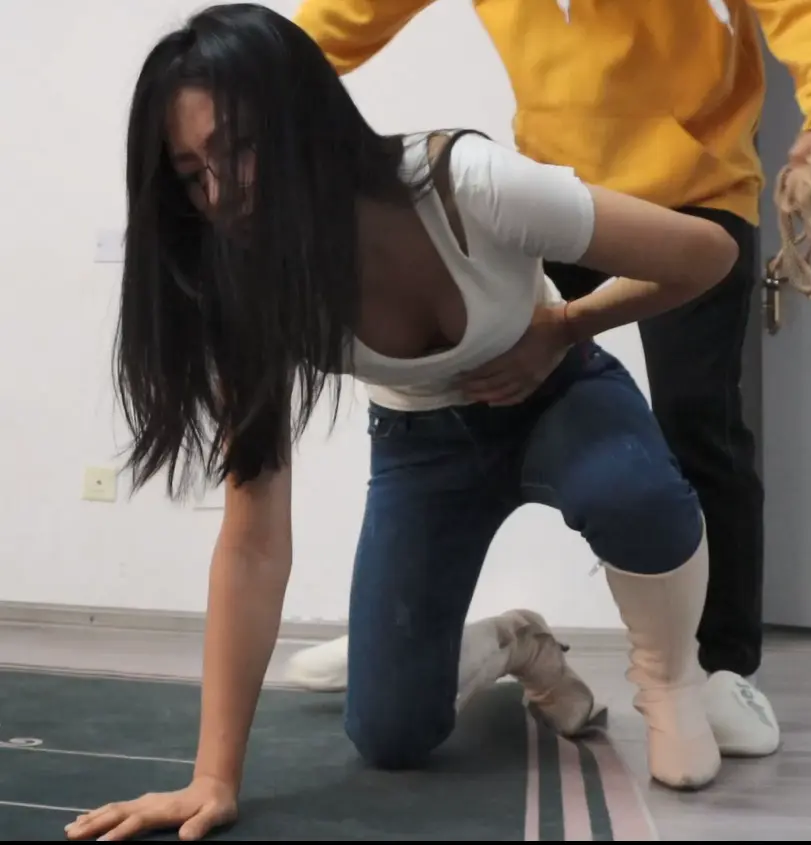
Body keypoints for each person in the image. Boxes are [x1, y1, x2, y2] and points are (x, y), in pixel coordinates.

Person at [65, 4, 742, 841]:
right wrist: (213, 776)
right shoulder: (244, 284)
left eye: (239, 148)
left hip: (558, 392)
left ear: (306, 119)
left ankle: (669, 679)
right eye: (191, 173)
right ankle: (516, 643)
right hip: (421, 445)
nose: (222, 192)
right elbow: (252, 537)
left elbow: (706, 253)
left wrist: (565, 326)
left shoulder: (466, 184)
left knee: (630, 489)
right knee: (389, 733)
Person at [285, 0, 804, 758]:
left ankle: (721, 666)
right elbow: (346, 16)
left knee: (699, 419)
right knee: (477, 379)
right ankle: (418, 639)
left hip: (699, 186)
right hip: (560, 187)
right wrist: (251, 88)